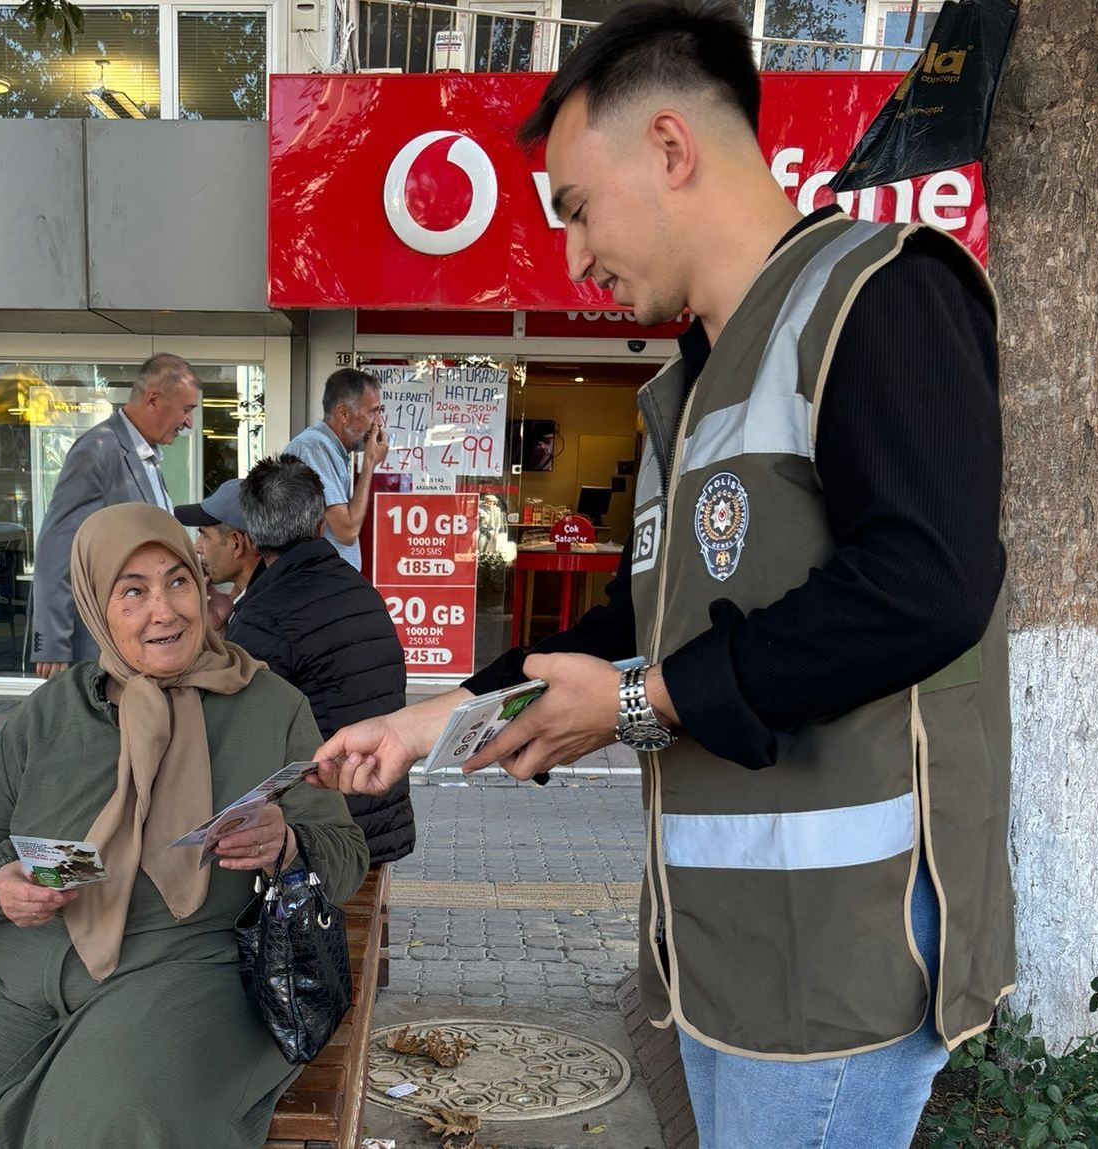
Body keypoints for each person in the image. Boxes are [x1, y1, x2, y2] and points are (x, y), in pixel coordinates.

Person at [312, 3, 1012, 1147]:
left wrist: (643, 701)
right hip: (718, 955)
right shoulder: (688, 388)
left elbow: (926, 585)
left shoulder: (876, 294)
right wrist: (436, 716)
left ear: (673, 149)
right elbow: (638, 613)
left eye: (577, 208)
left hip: (845, 961)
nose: (574, 254)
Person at [0, 504, 368, 1149]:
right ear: (95, 609)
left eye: (179, 581)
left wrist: (289, 845)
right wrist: (1, 882)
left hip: (182, 969)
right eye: (132, 592)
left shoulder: (270, 707)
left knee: (96, 1127)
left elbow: (345, 856)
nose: (163, 611)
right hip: (22, 978)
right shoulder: (52, 711)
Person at [229, 455, 414, 866]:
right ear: (319, 525)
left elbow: (243, 736)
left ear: (253, 539)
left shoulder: (264, 616)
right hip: (381, 811)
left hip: (330, 831)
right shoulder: (361, 589)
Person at [29, 355, 201, 678]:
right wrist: (52, 642)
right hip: (102, 650)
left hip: (138, 643)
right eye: (186, 409)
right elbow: (57, 548)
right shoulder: (97, 451)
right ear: (153, 399)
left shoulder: (146, 457)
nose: (189, 422)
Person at [282, 368, 388, 570]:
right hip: (317, 585)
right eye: (372, 412)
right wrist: (369, 464)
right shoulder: (314, 447)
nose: (378, 423)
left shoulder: (330, 449)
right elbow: (346, 532)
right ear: (343, 413)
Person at [174, 478, 264, 631]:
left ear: (236, 544)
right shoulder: (253, 604)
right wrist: (220, 627)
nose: (197, 547)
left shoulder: (259, 618)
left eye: (205, 535)